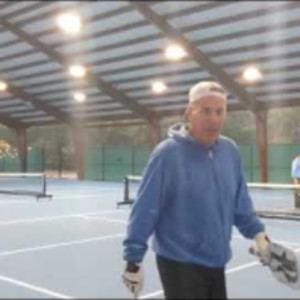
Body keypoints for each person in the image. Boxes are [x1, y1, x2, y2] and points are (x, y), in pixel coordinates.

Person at [122, 81, 270, 299]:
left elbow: (240, 202)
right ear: (190, 112)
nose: (214, 119)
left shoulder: (230, 151)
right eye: (206, 111)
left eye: (220, 111)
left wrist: (258, 233)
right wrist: (133, 260)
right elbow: (145, 208)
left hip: (217, 261)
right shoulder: (167, 154)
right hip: (179, 264)